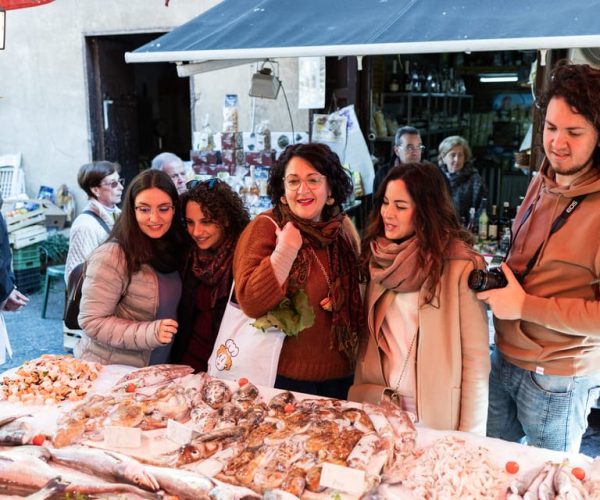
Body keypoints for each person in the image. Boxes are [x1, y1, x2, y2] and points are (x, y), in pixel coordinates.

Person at [479, 61, 600, 453]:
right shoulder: (541, 179)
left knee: (549, 483)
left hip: (557, 378)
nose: (557, 143)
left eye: (574, 132)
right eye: (551, 128)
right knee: (491, 473)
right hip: (504, 358)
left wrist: (525, 306)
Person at [352, 162, 490, 434]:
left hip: (435, 411)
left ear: (426, 211)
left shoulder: (460, 265)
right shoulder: (378, 258)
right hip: (379, 402)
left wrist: (470, 435)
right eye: (386, 202)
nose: (388, 214)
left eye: (401, 206)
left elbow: (475, 361)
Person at [233, 143, 363, 399]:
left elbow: (360, 284)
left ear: (331, 191)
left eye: (313, 180)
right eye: (293, 181)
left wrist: (342, 296)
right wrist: (285, 251)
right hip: (280, 377)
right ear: (283, 191)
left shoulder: (342, 228)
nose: (303, 190)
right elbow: (249, 302)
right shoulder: (266, 227)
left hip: (343, 374)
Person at [75, 169, 185, 367]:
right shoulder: (113, 255)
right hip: (116, 372)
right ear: (132, 210)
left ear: (175, 209)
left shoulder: (176, 249)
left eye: (163, 208)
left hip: (160, 371)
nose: (154, 218)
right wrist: (148, 333)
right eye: (144, 209)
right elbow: (92, 321)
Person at [171, 178, 250, 372]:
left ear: (226, 219)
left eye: (206, 222)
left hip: (230, 368)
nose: (196, 232)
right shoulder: (188, 255)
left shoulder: (246, 256)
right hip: (188, 365)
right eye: (190, 222)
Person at [64, 161, 123, 282]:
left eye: (120, 181)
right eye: (113, 184)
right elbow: (76, 276)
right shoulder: (85, 225)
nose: (121, 187)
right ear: (95, 190)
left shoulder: (120, 215)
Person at [437, 135, 487, 224]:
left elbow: (482, 211)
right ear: (443, 158)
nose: (457, 159)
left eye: (460, 155)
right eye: (453, 155)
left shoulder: (475, 180)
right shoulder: (436, 178)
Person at [373, 126, 424, 194]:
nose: (415, 152)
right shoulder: (383, 175)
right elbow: (377, 203)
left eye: (419, 147)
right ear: (397, 150)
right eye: (409, 148)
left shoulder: (430, 174)